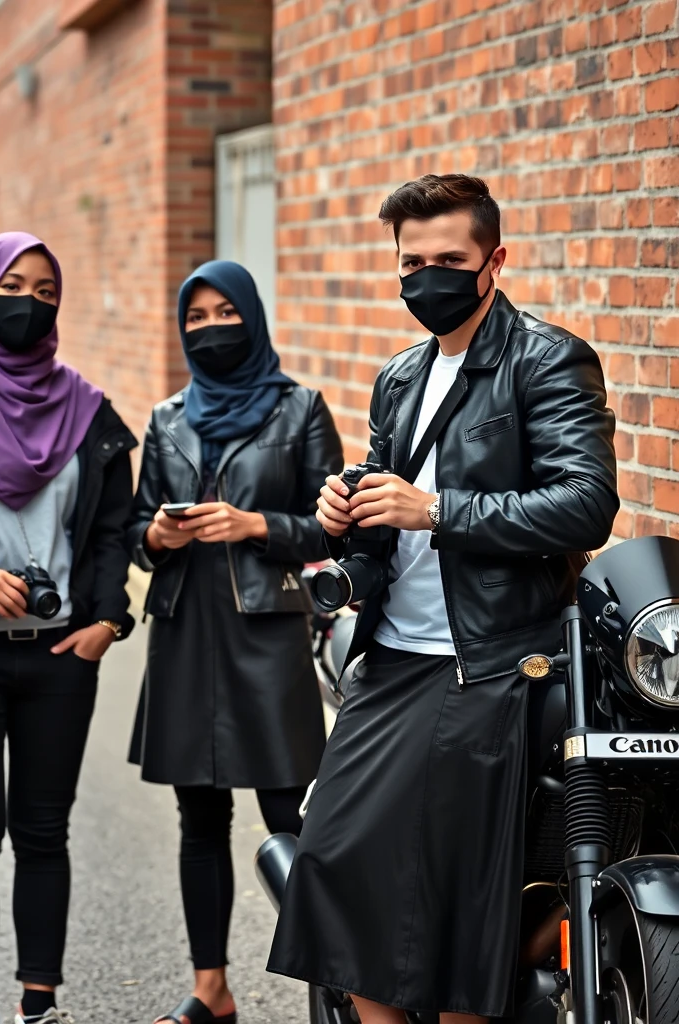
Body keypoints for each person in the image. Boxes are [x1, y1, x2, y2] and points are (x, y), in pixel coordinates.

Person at [268, 174, 619, 1023]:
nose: (429, 277)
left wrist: (439, 509)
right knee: (335, 863)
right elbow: (384, 533)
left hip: (492, 661)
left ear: (493, 261)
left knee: (458, 901)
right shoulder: (400, 376)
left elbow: (587, 502)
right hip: (391, 658)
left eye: (449, 260)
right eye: (411, 262)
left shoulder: (548, 358)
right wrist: (346, 519)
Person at [127, 260, 343, 1024]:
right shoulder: (167, 418)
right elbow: (137, 531)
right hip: (187, 632)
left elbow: (333, 525)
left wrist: (258, 525)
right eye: (196, 316)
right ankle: (210, 989)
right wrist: (154, 532)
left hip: (268, 629)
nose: (211, 327)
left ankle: (343, 988)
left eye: (226, 312)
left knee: (296, 815)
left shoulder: (300, 409)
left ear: (252, 316)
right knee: (201, 818)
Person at [0, 231, 137, 1024]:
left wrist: (108, 619)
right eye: (12, 285)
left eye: (46, 291)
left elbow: (115, 526)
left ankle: (38, 1001)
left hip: (61, 652)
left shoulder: (85, 407)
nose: (29, 302)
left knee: (43, 829)